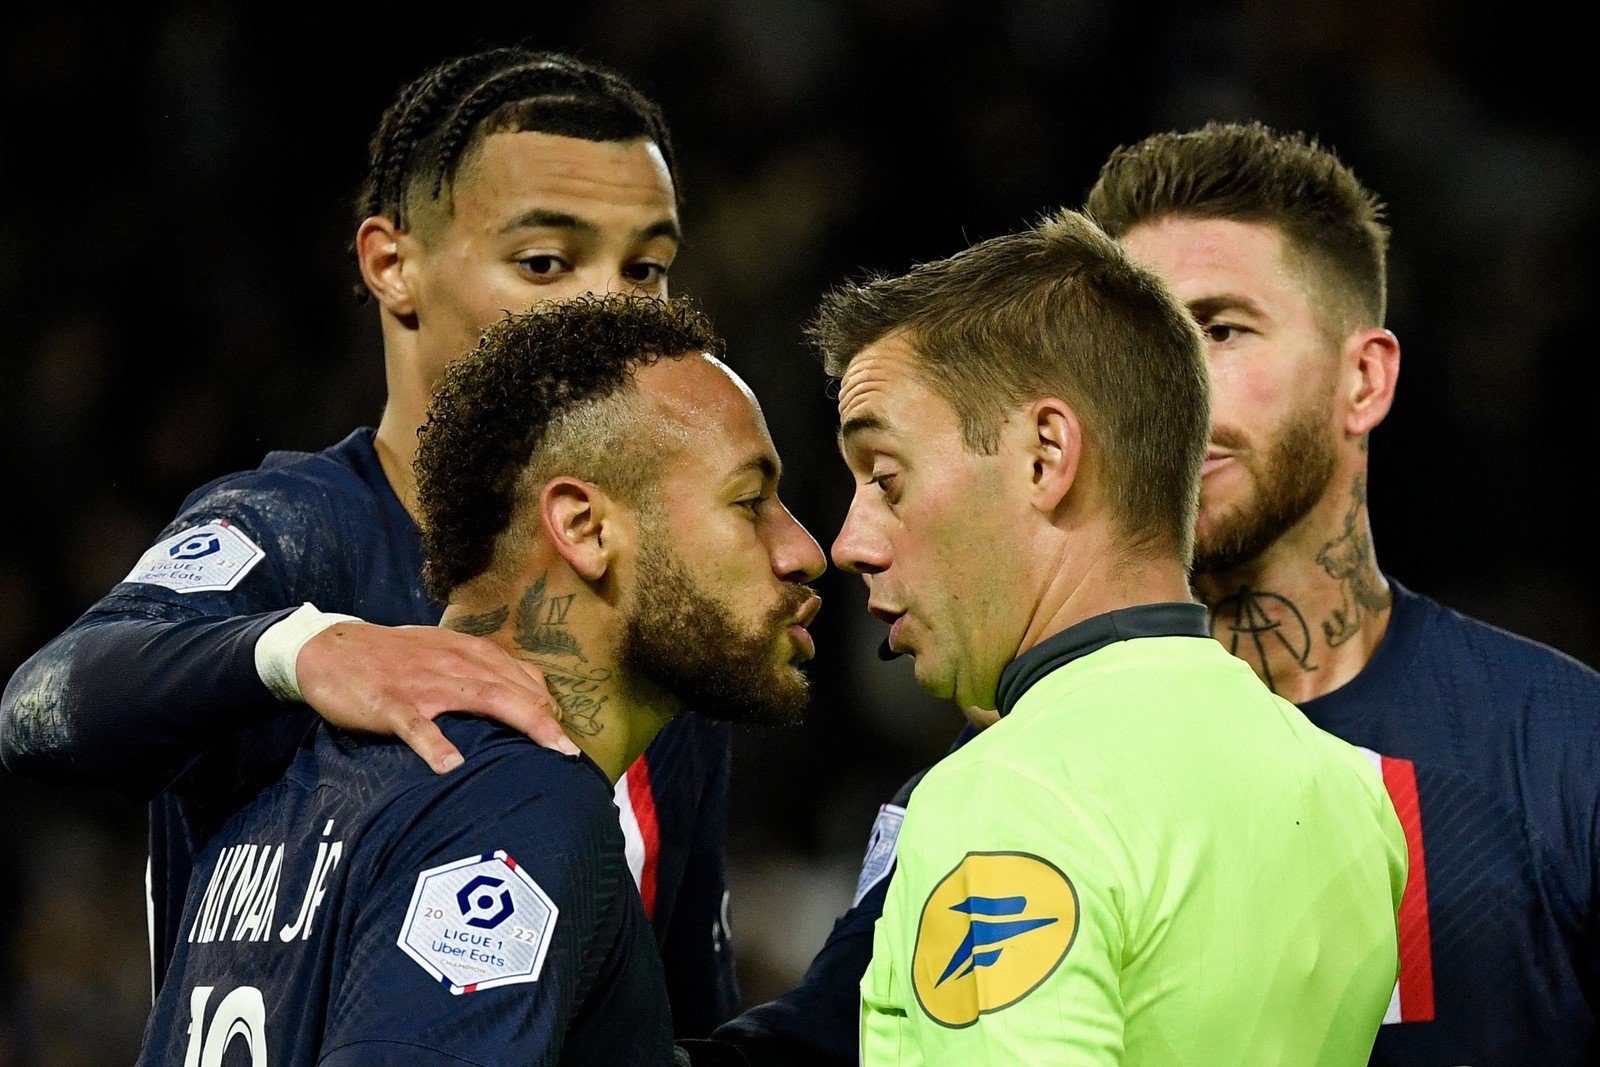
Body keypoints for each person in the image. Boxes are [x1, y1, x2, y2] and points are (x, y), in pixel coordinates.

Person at [0, 45, 741, 1038]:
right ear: (394, 265)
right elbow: (43, 708)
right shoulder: (297, 530)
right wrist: (300, 649)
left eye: (645, 267)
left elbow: (682, 1025)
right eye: (545, 263)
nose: (613, 313)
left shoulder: (656, 617)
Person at [133, 292, 826, 1066]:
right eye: (750, 500)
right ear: (585, 528)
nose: (803, 548)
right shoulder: (517, 808)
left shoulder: (285, 794)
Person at [810, 207, 1404, 1064]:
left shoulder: (1009, 794)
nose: (850, 541)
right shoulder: (1348, 790)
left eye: (886, 478)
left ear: (1046, 455)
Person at [1082, 119, 1600, 1065]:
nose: (1168, 393)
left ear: (1363, 380)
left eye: (1222, 329)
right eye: (1135, 346)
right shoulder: (1030, 765)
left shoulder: (1565, 747)